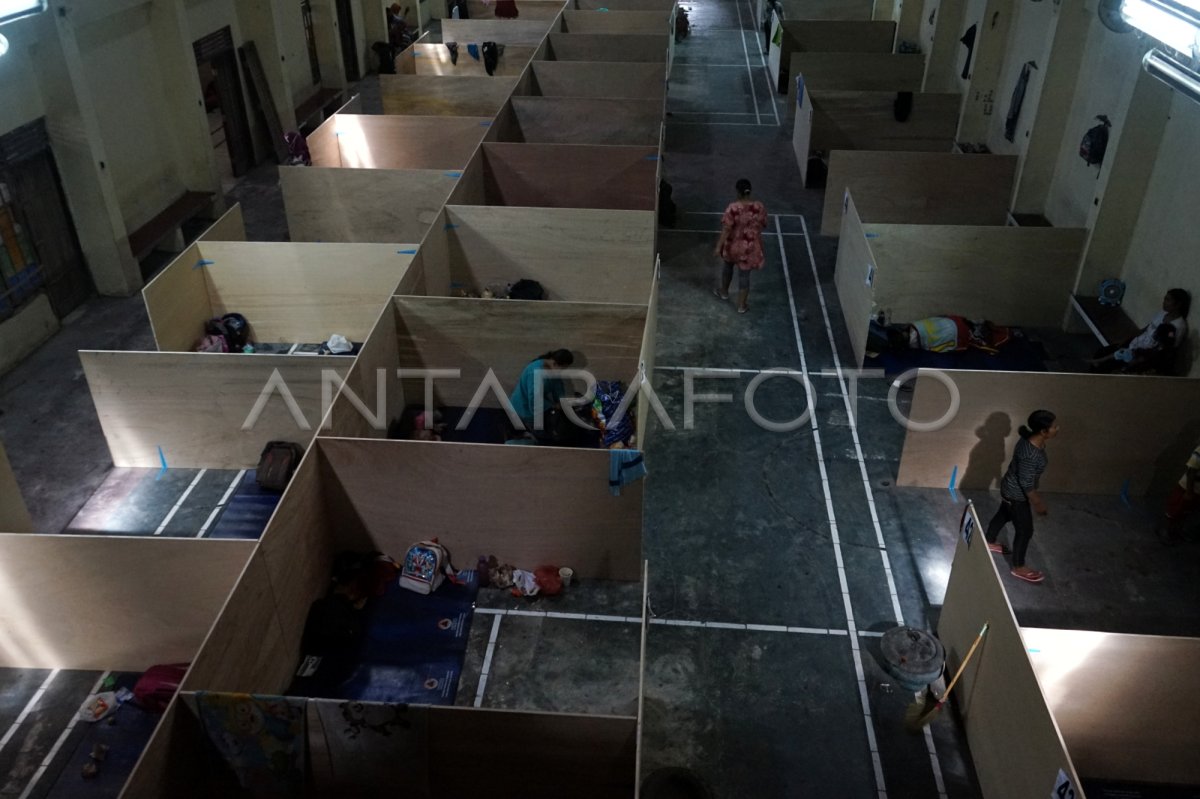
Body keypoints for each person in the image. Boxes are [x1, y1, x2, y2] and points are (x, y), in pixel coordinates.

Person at [985, 410, 1060, 584]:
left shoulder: (1033, 440)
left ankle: (988, 540)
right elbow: (1026, 483)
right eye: (1054, 426)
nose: (1058, 428)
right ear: (1043, 431)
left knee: (1004, 513)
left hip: (1010, 488)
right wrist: (1038, 504)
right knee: (1025, 530)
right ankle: (1018, 567)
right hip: (1016, 494)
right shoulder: (1030, 453)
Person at [1092, 288, 1190, 374]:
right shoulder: (1162, 313)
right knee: (1101, 352)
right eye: (1165, 299)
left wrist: (1140, 358)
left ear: (1178, 304)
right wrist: (1126, 339)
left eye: (1168, 300)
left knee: (1107, 365)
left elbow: (1168, 350)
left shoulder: (1179, 326)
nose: (1164, 302)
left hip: (1143, 353)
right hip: (1136, 343)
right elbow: (1145, 329)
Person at [712, 178, 767, 315]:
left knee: (728, 267)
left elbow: (726, 229)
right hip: (750, 247)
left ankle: (724, 292)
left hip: (733, 245)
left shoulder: (733, 208)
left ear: (737, 192)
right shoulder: (759, 207)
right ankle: (741, 306)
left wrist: (718, 247)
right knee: (744, 276)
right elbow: (762, 225)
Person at [509, 349, 573, 435]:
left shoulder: (553, 368)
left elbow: (558, 386)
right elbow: (534, 400)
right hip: (523, 409)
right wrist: (553, 405)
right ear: (554, 363)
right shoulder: (535, 372)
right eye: (562, 369)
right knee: (542, 436)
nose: (562, 372)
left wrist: (562, 401)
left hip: (537, 405)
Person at [1159, 441, 1200, 545]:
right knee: (1175, 509)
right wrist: (1189, 491)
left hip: (1197, 490)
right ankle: (1165, 530)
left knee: (1186, 512)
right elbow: (1191, 471)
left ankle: (1177, 531)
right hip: (1186, 488)